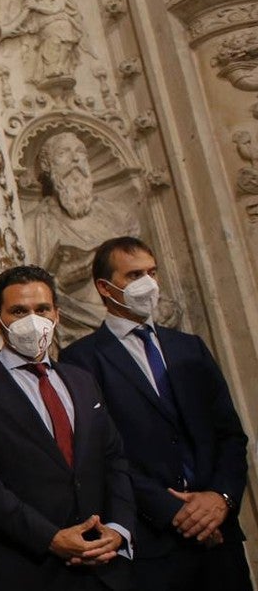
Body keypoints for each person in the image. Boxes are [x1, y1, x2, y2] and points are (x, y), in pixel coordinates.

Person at [60, 237, 252, 591]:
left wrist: (220, 498)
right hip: (153, 543)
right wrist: (170, 509)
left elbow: (230, 435)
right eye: (134, 275)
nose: (148, 283)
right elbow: (99, 454)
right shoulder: (81, 360)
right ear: (105, 287)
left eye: (152, 272)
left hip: (219, 536)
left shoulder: (189, 348)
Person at [0, 265, 134, 591]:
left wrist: (118, 528)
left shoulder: (81, 380)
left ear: (57, 314)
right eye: (19, 311)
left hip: (105, 566)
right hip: (29, 568)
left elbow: (114, 458)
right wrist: (49, 537)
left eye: (41, 309)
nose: (32, 319)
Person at [24, 132, 139, 341]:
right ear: (47, 166)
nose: (75, 159)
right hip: (73, 326)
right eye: (63, 153)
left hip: (126, 318)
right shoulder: (33, 224)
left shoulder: (118, 216)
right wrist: (61, 280)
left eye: (80, 152)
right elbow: (27, 291)